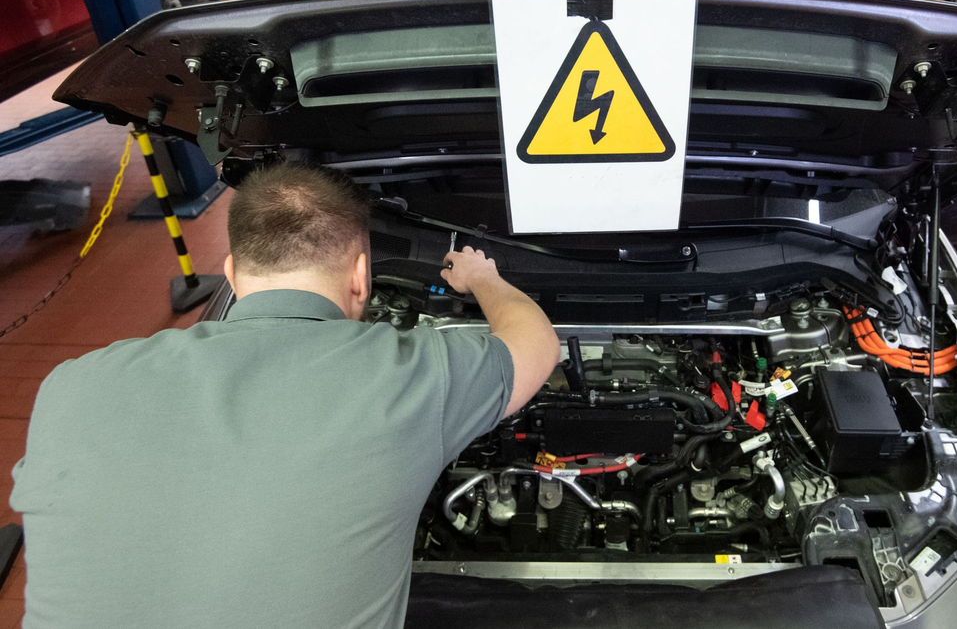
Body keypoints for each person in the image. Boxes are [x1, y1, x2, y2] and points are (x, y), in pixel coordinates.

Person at [10, 164, 561, 628]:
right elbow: (536, 344)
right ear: (361, 276)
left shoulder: (70, 384)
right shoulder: (413, 376)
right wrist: (482, 277)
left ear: (231, 271)